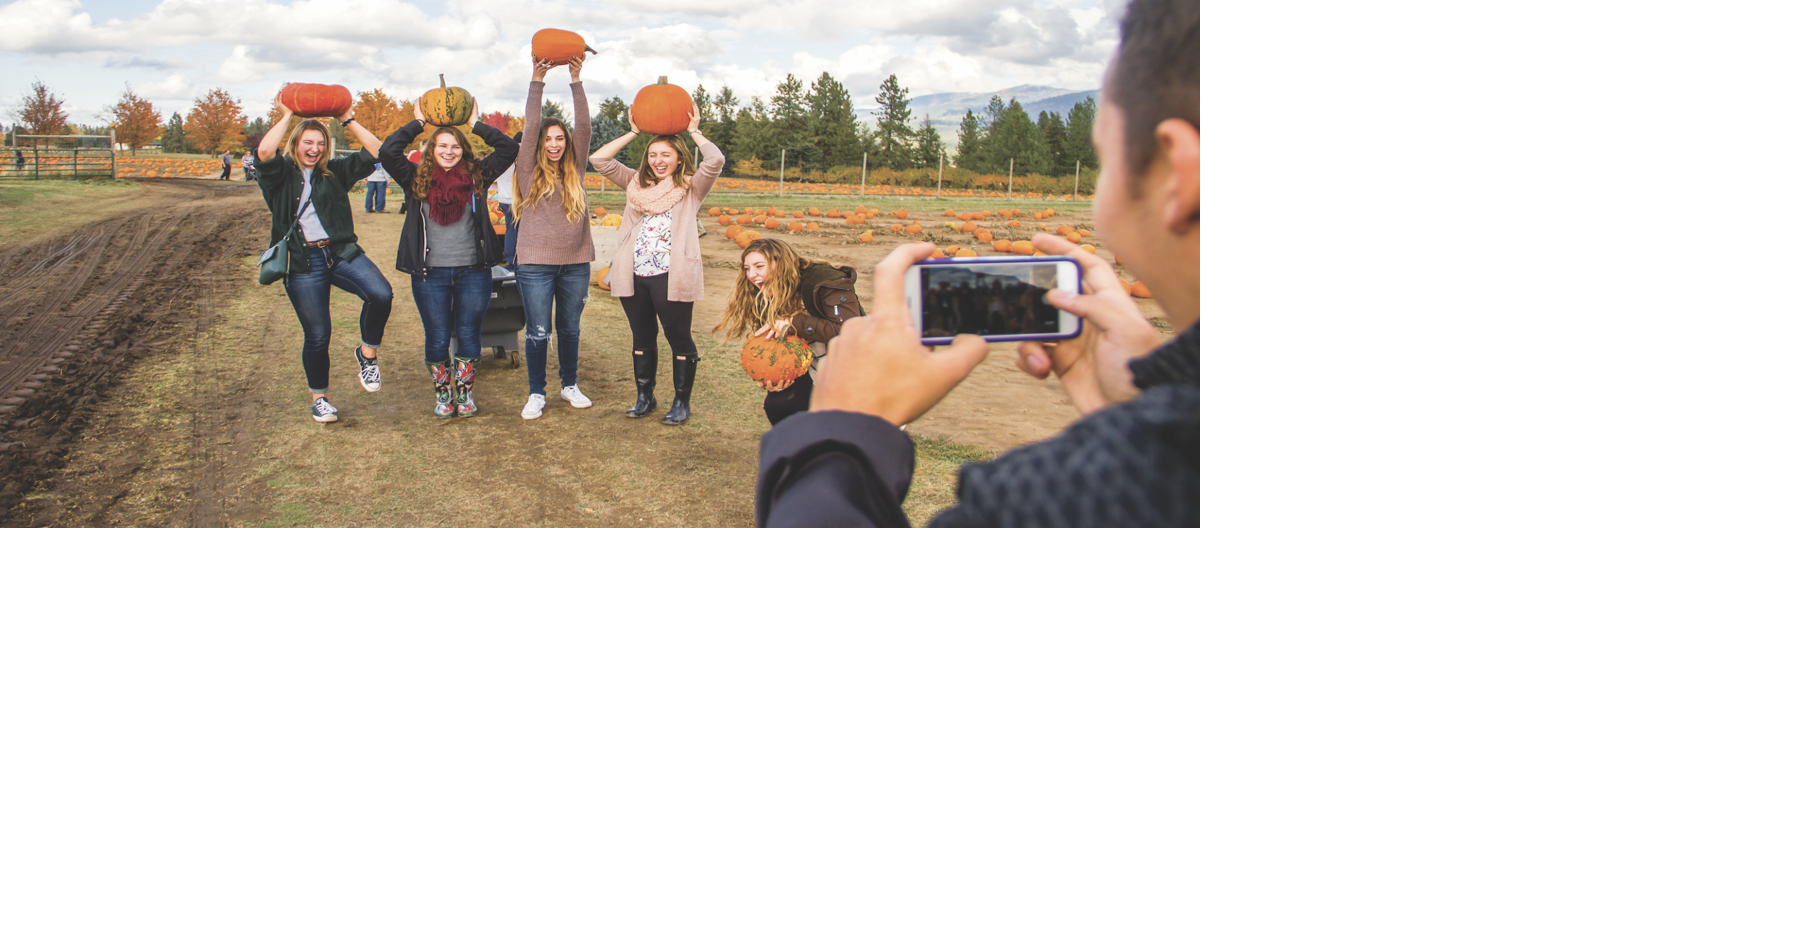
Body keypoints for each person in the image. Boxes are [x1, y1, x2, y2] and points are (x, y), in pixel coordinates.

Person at [754, 0, 1199, 526]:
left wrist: (839, 433)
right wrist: (1154, 405)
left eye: (1105, 160)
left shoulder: (1047, 500)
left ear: (1177, 175)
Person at [256, 103, 395, 423]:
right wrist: (288, 114)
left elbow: (378, 150)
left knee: (381, 293)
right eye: (308, 142)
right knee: (318, 335)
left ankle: (367, 355)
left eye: (320, 143)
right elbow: (265, 150)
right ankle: (320, 398)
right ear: (295, 144)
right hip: (302, 260)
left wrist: (347, 119)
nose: (315, 149)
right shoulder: (279, 174)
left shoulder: (334, 172)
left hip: (341, 253)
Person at [380, 100, 519, 418]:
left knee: (470, 332)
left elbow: (509, 148)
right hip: (430, 274)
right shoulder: (415, 178)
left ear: (463, 149)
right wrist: (417, 124)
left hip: (473, 271)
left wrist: (475, 124)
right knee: (438, 335)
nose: (448, 151)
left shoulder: (478, 175)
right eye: (442, 145)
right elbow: (388, 152)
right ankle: (444, 394)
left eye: (455, 146)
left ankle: (465, 394)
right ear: (431, 149)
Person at [591, 105, 724, 424]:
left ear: (679, 157)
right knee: (642, 337)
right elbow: (599, 160)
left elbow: (715, 160)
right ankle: (644, 397)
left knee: (678, 337)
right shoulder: (634, 183)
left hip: (671, 275)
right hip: (633, 275)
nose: (658, 161)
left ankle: (681, 402)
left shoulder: (691, 187)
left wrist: (694, 131)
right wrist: (634, 132)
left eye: (666, 155)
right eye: (653, 155)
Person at [511, 55, 595, 420]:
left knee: (570, 328)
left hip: (575, 261)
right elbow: (530, 125)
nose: (555, 144)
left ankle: (569, 385)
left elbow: (585, 129)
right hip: (534, 264)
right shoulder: (527, 172)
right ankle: (536, 393)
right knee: (538, 331)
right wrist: (537, 80)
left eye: (560, 138)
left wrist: (577, 80)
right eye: (548, 139)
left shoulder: (575, 169)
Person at [712, 237, 864, 426]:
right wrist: (776, 376)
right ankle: (800, 450)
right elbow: (773, 348)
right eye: (747, 268)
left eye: (759, 266)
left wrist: (794, 322)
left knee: (846, 421)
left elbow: (851, 332)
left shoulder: (824, 281)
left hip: (853, 361)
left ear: (781, 265)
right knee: (779, 405)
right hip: (807, 359)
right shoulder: (763, 291)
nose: (751, 275)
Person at [494, 133, 521, 266]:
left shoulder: (503, 159)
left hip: (504, 199)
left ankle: (511, 258)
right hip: (516, 200)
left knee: (510, 229)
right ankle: (513, 259)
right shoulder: (519, 161)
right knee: (516, 231)